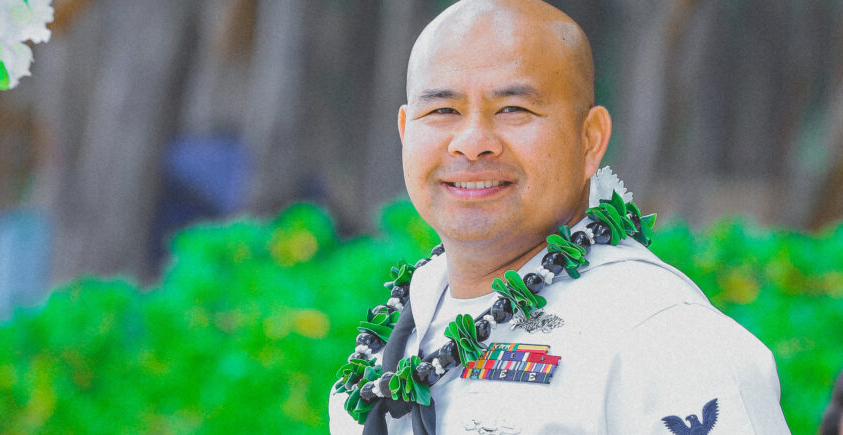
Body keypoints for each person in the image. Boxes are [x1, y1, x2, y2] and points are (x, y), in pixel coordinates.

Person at [328, 0, 790, 433]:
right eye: (442, 109)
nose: (471, 142)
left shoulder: (665, 338)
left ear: (590, 139)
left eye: (513, 109)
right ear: (405, 131)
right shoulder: (405, 317)